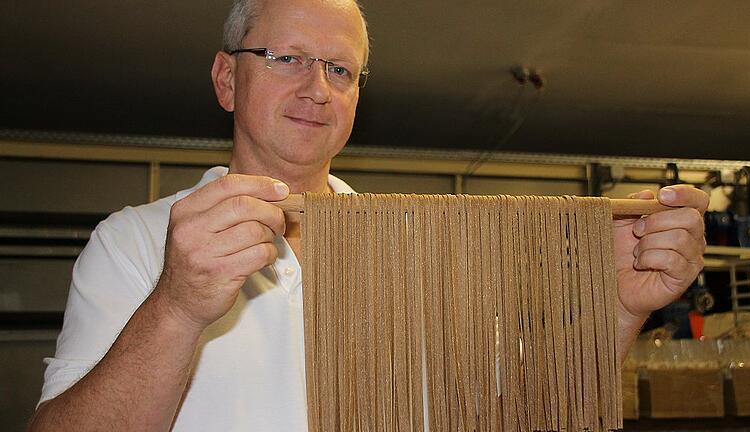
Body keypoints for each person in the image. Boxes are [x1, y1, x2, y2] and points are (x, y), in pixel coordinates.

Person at [28, 0, 709, 430]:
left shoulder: (418, 245)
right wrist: (176, 307)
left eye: (341, 70)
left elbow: (523, 413)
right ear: (227, 78)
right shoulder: (136, 242)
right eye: (288, 58)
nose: (316, 88)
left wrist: (618, 309)